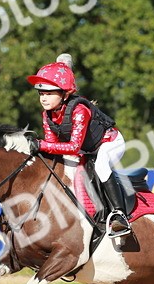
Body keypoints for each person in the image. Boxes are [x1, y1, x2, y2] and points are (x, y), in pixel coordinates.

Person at [27, 53, 131, 237]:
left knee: (100, 166)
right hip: (87, 149)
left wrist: (40, 145)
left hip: (110, 143)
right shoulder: (47, 115)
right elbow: (52, 145)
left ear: (64, 94)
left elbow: (73, 147)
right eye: (41, 93)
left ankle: (119, 216)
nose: (43, 98)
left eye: (49, 93)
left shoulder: (80, 110)